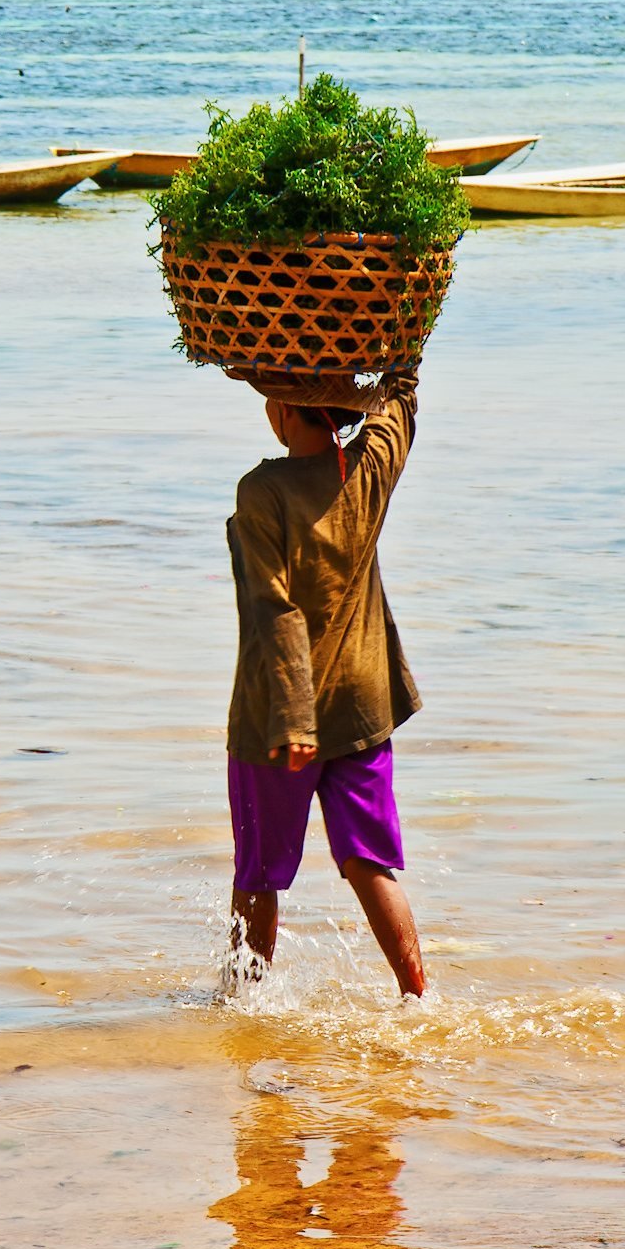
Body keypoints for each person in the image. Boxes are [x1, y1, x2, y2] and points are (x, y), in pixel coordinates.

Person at [224, 368, 426, 998]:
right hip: (362, 705)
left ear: (284, 409)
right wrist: (399, 350)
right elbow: (401, 397)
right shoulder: (368, 468)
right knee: (370, 862)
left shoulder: (263, 492)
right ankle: (417, 998)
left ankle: (241, 1004)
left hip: (277, 719)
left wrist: (293, 718)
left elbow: (273, 607)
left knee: (258, 873)